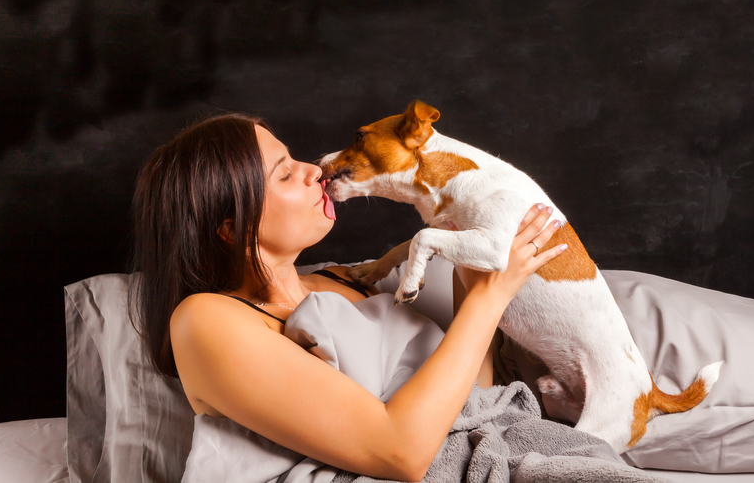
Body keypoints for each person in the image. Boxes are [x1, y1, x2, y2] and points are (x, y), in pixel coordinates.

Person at [129, 113, 567, 481]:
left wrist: (474, 274)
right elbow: (400, 452)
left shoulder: (349, 281)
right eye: (284, 172)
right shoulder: (205, 319)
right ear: (231, 228)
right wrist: (488, 298)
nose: (315, 170)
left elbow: (471, 403)